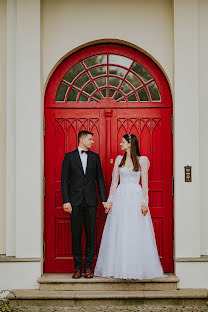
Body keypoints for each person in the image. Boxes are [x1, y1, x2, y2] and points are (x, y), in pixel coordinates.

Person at [94, 134, 165, 279]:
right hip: (121, 197)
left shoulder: (142, 160)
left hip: (135, 197)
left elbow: (145, 183)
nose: (120, 144)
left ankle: (136, 267)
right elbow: (114, 182)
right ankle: (118, 268)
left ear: (130, 144)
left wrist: (145, 203)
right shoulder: (119, 160)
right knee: (120, 229)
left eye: (123, 142)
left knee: (135, 230)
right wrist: (110, 201)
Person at [61, 130, 107, 279]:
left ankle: (88, 267)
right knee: (76, 235)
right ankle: (77, 268)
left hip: (91, 202)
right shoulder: (69, 157)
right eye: (90, 139)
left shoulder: (95, 158)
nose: (92, 142)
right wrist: (66, 201)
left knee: (90, 235)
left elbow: (99, 179)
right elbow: (64, 181)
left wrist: (104, 199)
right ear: (82, 140)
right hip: (74, 202)